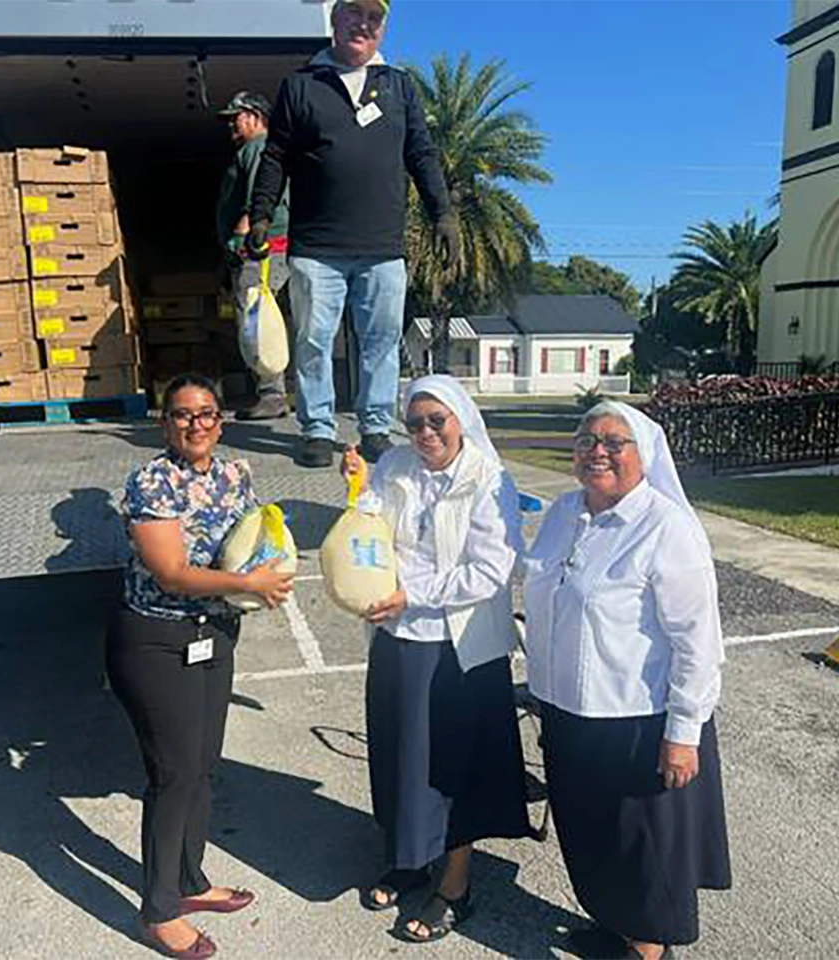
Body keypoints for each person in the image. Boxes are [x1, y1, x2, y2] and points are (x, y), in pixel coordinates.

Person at [523, 402, 731, 960]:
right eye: (588, 438)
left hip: (636, 719)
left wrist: (684, 731)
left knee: (643, 846)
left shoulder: (667, 527)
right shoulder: (565, 511)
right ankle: (613, 923)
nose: (598, 450)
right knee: (591, 834)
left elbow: (698, 641)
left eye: (615, 442)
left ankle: (647, 947)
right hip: (568, 711)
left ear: (644, 454)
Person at [107, 373, 295, 960]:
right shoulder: (150, 482)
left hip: (213, 634)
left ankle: (190, 879)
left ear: (221, 420)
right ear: (165, 423)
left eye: (206, 413)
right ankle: (158, 911)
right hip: (155, 639)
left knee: (203, 766)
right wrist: (248, 583)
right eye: (183, 414)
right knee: (175, 773)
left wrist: (268, 568)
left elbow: (252, 537)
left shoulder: (238, 475)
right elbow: (171, 573)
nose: (196, 424)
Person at [339, 375, 529, 944]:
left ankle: (455, 884)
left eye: (436, 421)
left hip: (459, 650)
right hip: (398, 638)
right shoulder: (396, 465)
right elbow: (367, 528)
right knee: (402, 759)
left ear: (461, 420)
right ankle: (407, 858)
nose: (424, 432)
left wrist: (410, 594)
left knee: (452, 771)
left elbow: (491, 571)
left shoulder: (489, 479)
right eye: (415, 422)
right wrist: (356, 489)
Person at [248, 0, 460, 469]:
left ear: (382, 29)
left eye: (374, 18)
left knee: (381, 341)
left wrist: (443, 213)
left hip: (382, 247)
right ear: (335, 20)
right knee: (314, 341)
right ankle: (317, 429)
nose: (362, 25)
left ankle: (376, 427)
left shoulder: (399, 86)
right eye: (353, 14)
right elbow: (275, 156)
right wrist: (260, 213)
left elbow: (421, 154)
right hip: (316, 248)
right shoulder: (301, 84)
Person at [215, 91, 292, 421]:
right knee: (263, 317)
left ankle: (272, 394)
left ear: (256, 117)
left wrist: (241, 234)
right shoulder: (253, 149)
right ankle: (273, 391)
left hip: (262, 249)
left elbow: (257, 196)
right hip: (266, 248)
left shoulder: (258, 148)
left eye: (237, 117)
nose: (231, 124)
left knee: (256, 319)